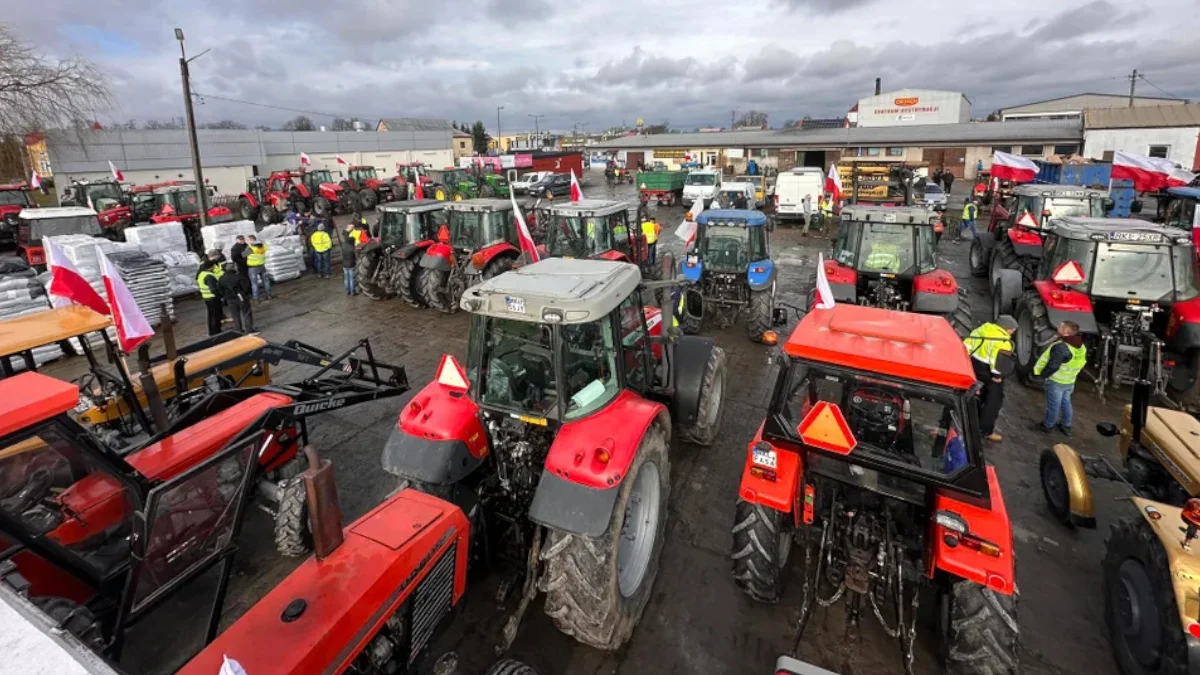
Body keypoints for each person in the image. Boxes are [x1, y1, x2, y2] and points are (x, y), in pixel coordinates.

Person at [963, 315, 1018, 442]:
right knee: (994, 400)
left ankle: (967, 421)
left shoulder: (981, 330)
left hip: (974, 366)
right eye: (1012, 329)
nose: (1013, 332)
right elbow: (997, 360)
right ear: (1006, 328)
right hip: (989, 372)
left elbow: (966, 345)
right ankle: (986, 430)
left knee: (972, 394)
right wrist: (997, 376)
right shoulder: (1003, 341)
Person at [1034, 321, 1086, 436]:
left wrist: (1043, 375)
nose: (1058, 327)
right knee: (1066, 403)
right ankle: (1066, 425)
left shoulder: (1062, 347)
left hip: (1056, 381)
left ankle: (1047, 425)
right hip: (1069, 381)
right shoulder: (1080, 345)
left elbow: (1053, 366)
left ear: (1066, 332)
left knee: (1053, 406)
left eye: (1060, 326)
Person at [217, 260, 255, 332]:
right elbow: (246, 286)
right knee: (246, 312)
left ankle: (238, 330)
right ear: (234, 268)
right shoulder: (239, 276)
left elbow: (220, 289)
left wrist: (225, 295)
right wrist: (244, 293)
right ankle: (249, 329)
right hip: (240, 296)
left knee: (235, 314)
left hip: (229, 299)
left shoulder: (221, 278)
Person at [197, 256, 225, 336]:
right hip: (213, 298)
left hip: (206, 298)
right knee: (216, 315)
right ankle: (216, 331)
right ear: (210, 267)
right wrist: (220, 296)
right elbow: (213, 289)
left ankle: (212, 331)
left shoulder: (201, 274)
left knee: (210, 315)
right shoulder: (209, 276)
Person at [245, 235, 271, 301]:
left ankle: (256, 298)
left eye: (248, 240)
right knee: (266, 281)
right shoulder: (263, 246)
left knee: (254, 283)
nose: (247, 241)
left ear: (251, 239)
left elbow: (243, 255)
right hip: (262, 266)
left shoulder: (250, 248)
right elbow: (266, 248)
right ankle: (269, 295)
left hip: (253, 268)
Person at [341, 222, 363, 296]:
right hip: (351, 265)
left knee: (346, 279)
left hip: (344, 265)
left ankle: (347, 291)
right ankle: (353, 292)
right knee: (352, 279)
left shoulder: (343, 247)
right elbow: (355, 257)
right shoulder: (352, 249)